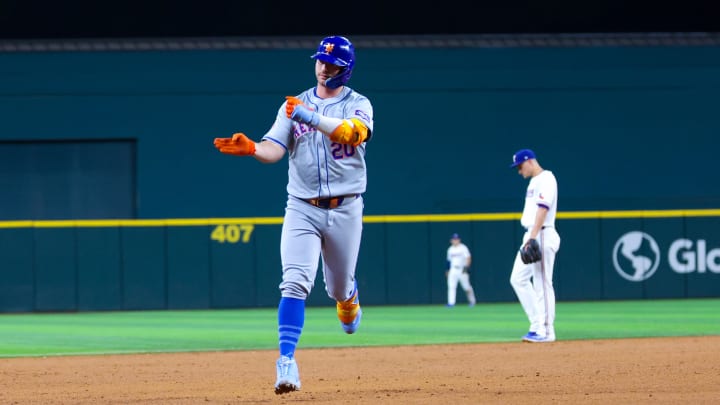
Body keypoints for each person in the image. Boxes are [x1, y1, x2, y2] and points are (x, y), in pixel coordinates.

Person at [213, 35, 374, 394]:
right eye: (319, 61)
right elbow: (274, 148)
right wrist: (253, 148)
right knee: (295, 281)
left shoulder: (357, 103)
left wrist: (310, 116)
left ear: (344, 70)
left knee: (337, 288)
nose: (322, 67)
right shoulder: (294, 103)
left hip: (346, 207)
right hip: (302, 206)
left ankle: (348, 295)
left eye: (330, 64)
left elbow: (353, 134)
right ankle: (286, 362)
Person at [508, 149, 560, 343]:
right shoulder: (533, 182)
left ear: (529, 161)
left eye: (520, 166)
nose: (519, 171)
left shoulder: (547, 178)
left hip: (542, 233)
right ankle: (537, 324)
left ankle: (546, 330)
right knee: (517, 279)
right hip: (532, 233)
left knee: (542, 282)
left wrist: (533, 237)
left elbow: (543, 208)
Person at [445, 233, 477, 307]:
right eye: (454, 239)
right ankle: (451, 303)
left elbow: (468, 258)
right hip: (453, 269)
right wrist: (447, 271)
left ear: (459, 240)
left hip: (462, 269)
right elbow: (448, 261)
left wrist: (466, 268)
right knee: (451, 286)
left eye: (456, 239)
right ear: (451, 240)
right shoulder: (450, 249)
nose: (455, 240)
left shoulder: (463, 248)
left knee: (466, 287)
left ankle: (472, 301)